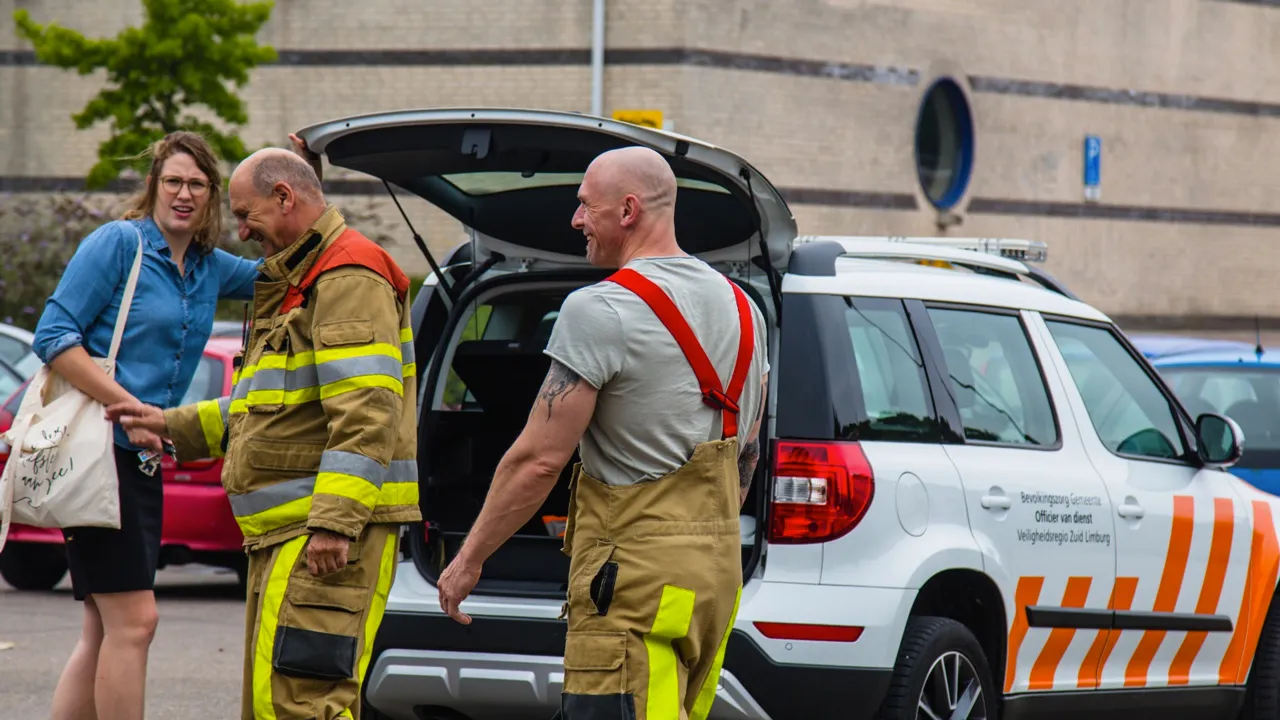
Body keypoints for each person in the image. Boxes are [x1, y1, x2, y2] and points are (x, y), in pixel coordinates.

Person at [436, 146, 770, 719]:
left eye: (585, 206)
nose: (575, 221)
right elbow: (749, 450)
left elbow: (539, 460)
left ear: (629, 210)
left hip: (633, 582)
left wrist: (468, 559)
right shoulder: (745, 307)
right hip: (714, 576)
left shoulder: (600, 309)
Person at [107, 146, 421, 720]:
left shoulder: (347, 274)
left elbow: (366, 411)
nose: (243, 231)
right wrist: (170, 425)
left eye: (248, 215)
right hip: (291, 535)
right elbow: (265, 407)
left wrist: (333, 523)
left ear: (285, 198)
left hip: (323, 537)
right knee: (276, 698)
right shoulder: (303, 276)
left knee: (304, 703)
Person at [31, 130, 263, 720]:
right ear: (154, 186)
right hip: (98, 455)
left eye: (197, 185)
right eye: (173, 182)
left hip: (140, 460)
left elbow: (280, 274)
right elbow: (54, 338)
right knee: (136, 622)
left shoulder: (211, 268)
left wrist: (292, 185)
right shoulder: (120, 243)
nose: (184, 194)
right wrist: (131, 409)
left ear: (211, 195)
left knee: (104, 628)